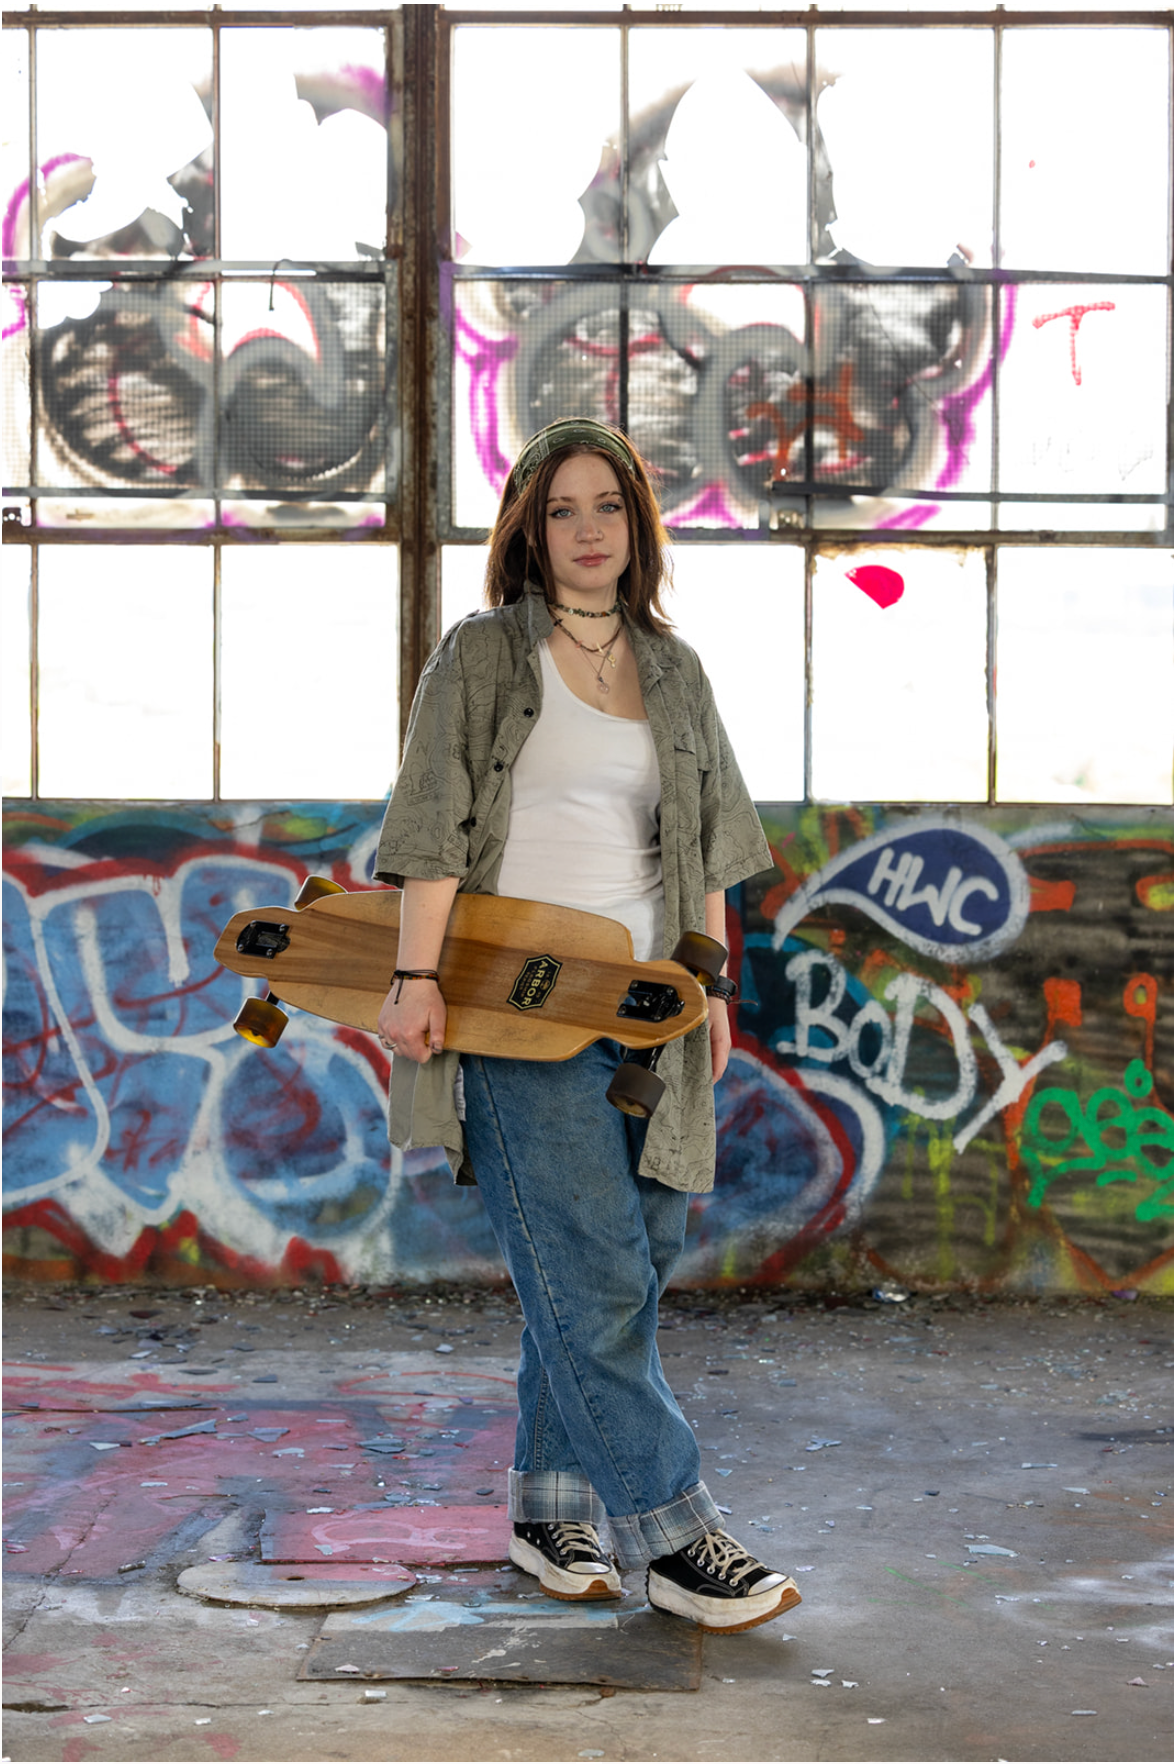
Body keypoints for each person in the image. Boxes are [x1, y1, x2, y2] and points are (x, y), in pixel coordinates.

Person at [372, 416, 800, 1634]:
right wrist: (415, 978)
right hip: (512, 1012)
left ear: (636, 524)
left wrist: (709, 989)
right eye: (561, 509)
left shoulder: (673, 669)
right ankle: (672, 1536)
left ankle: (546, 1499)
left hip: (651, 1006)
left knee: (626, 1270)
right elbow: (429, 830)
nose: (587, 531)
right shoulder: (483, 658)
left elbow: (708, 843)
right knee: (595, 1272)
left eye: (606, 507)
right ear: (528, 528)